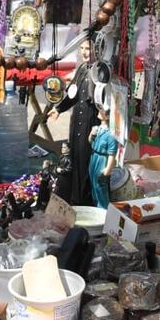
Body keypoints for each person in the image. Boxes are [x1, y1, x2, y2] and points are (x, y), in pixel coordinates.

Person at [46, 38, 101, 205]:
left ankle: (84, 200)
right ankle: (75, 198)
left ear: (97, 49)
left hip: (90, 122)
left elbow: (104, 101)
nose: (84, 52)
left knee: (85, 159)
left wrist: (100, 125)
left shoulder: (100, 71)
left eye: (88, 48)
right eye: (82, 48)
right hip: (77, 120)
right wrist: (58, 109)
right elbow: (72, 94)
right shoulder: (82, 68)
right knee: (74, 156)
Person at [87, 100, 119, 209]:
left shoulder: (111, 134)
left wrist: (108, 169)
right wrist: (91, 135)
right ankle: (96, 206)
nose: (99, 111)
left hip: (102, 160)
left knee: (100, 186)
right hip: (94, 156)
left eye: (102, 110)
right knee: (93, 184)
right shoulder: (97, 128)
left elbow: (112, 153)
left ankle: (103, 209)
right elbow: (90, 142)